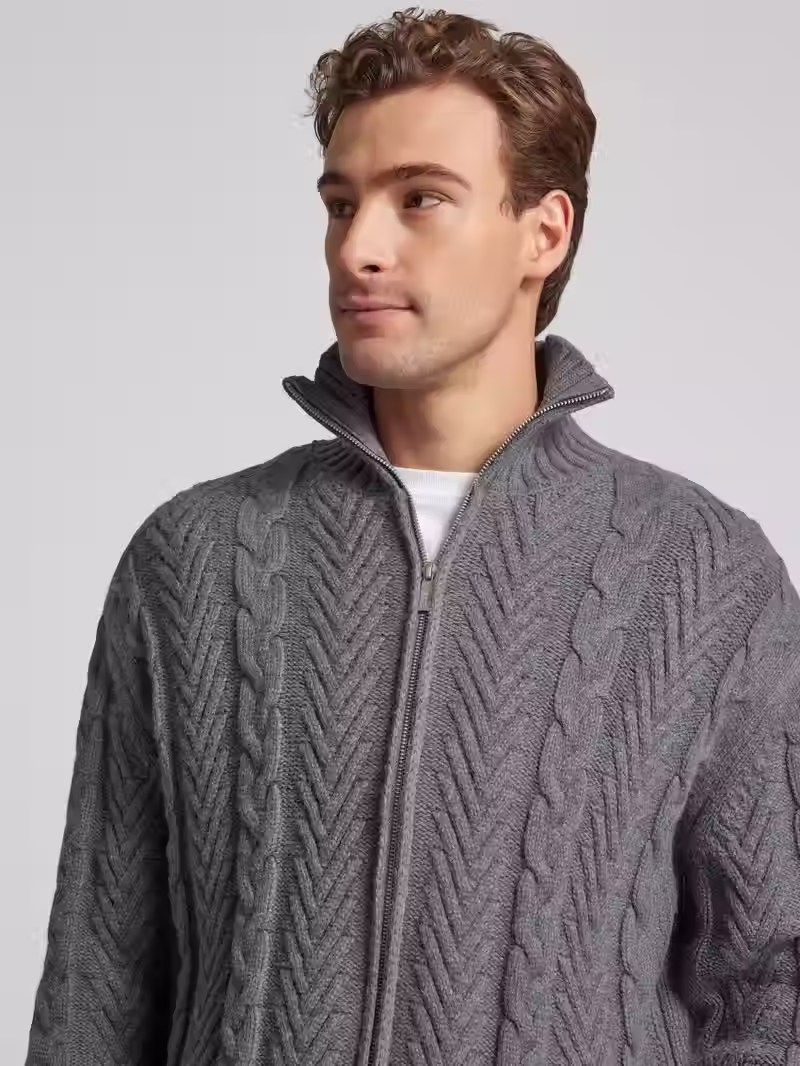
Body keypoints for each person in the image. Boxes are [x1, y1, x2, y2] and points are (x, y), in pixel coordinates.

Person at [26, 8, 800, 1066]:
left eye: (420, 199)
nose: (360, 248)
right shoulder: (191, 561)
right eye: (340, 205)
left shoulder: (701, 577)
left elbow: (772, 981)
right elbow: (95, 990)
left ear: (544, 232)